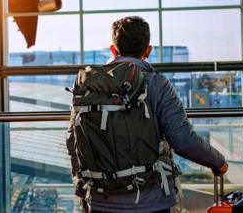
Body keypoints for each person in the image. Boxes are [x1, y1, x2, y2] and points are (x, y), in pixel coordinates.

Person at [66, 16, 228, 213]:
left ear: (113, 50)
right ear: (148, 51)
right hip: (150, 201)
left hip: (101, 200)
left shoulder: (87, 84)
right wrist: (218, 162)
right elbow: (183, 140)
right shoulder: (156, 84)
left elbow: (73, 142)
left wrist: (82, 191)